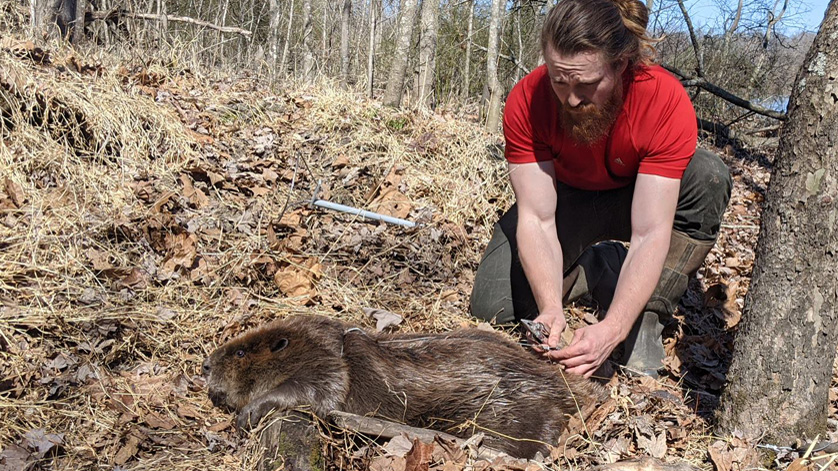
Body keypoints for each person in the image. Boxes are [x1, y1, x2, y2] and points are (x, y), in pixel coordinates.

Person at [469, 0, 732, 378]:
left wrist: (614, 328)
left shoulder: (664, 99)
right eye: (559, 80)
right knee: (492, 305)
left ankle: (648, 316)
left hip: (638, 196)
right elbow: (537, 218)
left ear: (621, 65)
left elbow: (649, 233)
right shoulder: (526, 100)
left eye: (586, 84)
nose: (571, 99)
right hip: (568, 199)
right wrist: (549, 309)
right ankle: (597, 267)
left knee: (708, 174)